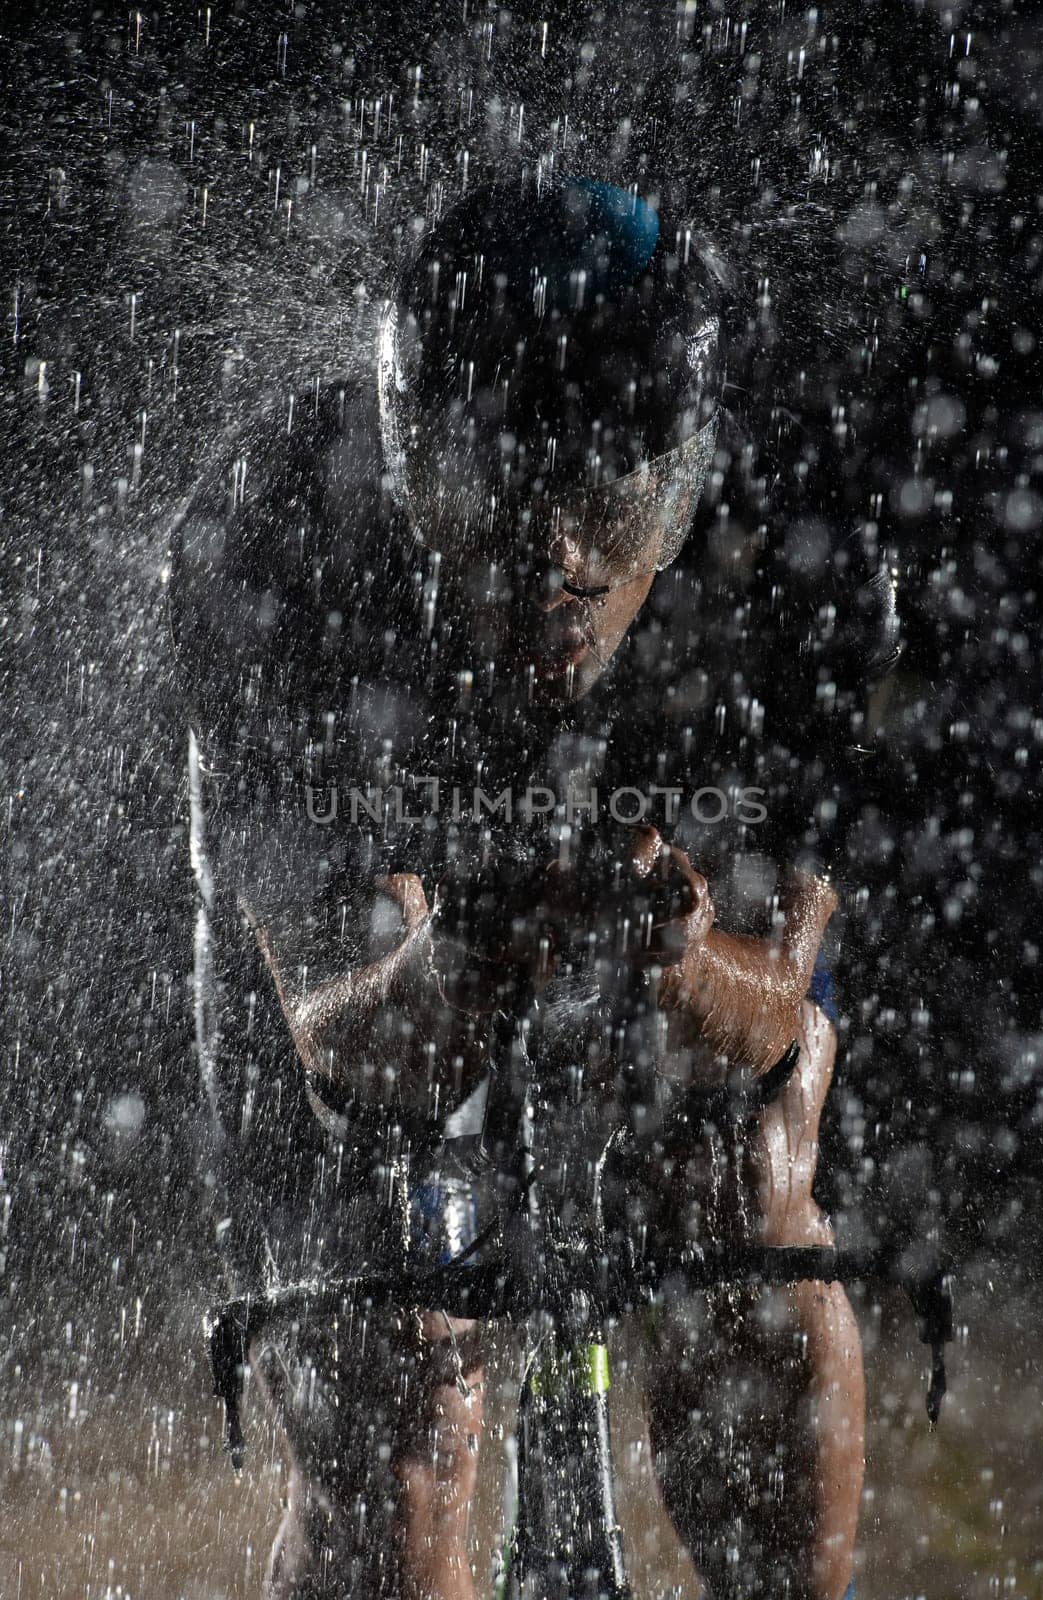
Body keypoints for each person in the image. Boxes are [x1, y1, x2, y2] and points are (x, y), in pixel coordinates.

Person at [171, 176, 898, 1599]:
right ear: (402, 470)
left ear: (688, 488)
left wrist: (680, 960)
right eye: (478, 496)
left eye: (608, 508)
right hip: (390, 967)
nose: (547, 563)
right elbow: (343, 1052)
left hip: (604, 934)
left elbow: (765, 1017)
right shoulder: (278, 541)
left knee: (743, 1179)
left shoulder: (801, 549)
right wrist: (480, 959)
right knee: (382, 1342)